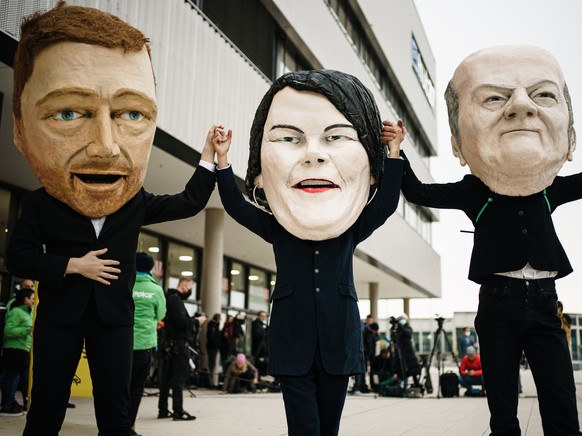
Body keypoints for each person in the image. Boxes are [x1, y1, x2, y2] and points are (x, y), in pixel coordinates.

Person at [5, 2, 217, 434]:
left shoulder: (133, 202)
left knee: (116, 417)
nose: (104, 147)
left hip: (114, 321)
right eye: (69, 112)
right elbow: (18, 258)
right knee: (45, 412)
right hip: (60, 318)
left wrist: (210, 159)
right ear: (20, 129)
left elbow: (188, 203)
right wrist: (71, 265)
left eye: (131, 114)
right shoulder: (42, 202)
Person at [395, 45, 581, 435]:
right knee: (501, 399)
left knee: (560, 394)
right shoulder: (473, 191)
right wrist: (395, 152)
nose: (520, 107)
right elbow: (417, 192)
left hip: (546, 300)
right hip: (498, 301)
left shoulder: (548, 189)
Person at [213, 69, 405, 436]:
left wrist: (393, 153)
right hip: (292, 344)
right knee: (305, 428)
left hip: (338, 341)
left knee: (328, 428)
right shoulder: (278, 228)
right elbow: (238, 207)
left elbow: (386, 205)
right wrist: (223, 162)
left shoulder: (349, 228)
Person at [157, 277, 207, 421]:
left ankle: (163, 409)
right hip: (178, 344)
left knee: (167, 378)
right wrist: (197, 321)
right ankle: (177, 410)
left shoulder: (169, 298)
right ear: (184, 286)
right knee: (178, 377)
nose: (190, 291)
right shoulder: (175, 300)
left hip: (170, 344)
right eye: (190, 288)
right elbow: (182, 322)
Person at [127, 252, 166, 436]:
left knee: (118, 386)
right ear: (150, 268)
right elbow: (161, 315)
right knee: (136, 388)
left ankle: (114, 425)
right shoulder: (156, 290)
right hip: (144, 345)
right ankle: (129, 427)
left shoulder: (126, 282)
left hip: (121, 342)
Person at [0, 287, 34, 416]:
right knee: (11, 377)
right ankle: (6, 405)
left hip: (24, 349)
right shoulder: (16, 312)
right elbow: (8, 331)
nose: (34, 301)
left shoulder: (29, 312)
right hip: (14, 349)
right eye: (32, 299)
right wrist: (27, 330)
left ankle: (17, 403)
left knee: (22, 378)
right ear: (25, 299)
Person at [205, 313, 222, 386]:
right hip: (212, 347)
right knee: (211, 365)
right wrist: (217, 345)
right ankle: (210, 382)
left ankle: (211, 381)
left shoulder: (214, 325)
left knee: (212, 364)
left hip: (213, 347)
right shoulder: (213, 326)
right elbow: (212, 338)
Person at [251, 311, 268, 375]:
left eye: (264, 316)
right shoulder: (256, 324)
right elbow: (258, 334)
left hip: (261, 350)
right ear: (258, 316)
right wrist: (265, 332)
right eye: (262, 316)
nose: (263, 317)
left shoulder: (261, 325)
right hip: (258, 350)